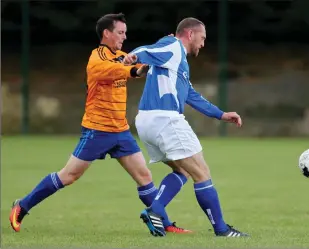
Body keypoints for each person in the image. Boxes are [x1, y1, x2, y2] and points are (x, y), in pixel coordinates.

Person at [9, 13, 191, 234]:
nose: (124, 37)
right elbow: (120, 70)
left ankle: (165, 223)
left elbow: (144, 60)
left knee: (144, 177)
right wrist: (135, 69)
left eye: (125, 33)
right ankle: (22, 206)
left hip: (120, 130)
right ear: (107, 33)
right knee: (69, 176)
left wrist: (166, 44)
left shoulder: (124, 55)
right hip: (98, 129)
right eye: (120, 33)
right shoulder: (96, 59)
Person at [123, 17, 249, 237]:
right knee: (202, 173)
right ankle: (221, 230)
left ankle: (156, 209)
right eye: (202, 38)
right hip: (165, 119)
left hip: (146, 121)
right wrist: (134, 56)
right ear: (190, 34)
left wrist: (220, 114)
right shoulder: (173, 46)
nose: (203, 44)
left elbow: (190, 94)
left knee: (182, 171)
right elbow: (148, 49)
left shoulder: (177, 61)